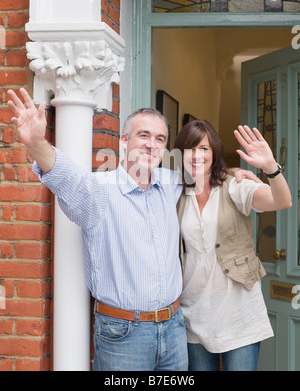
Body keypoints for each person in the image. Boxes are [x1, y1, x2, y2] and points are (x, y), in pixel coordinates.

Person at [6, 88, 260, 371]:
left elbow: (205, 171)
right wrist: (38, 144)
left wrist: (233, 172)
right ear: (124, 140)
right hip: (124, 334)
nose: (152, 144)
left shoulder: (170, 183)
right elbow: (67, 178)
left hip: (175, 329)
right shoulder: (100, 190)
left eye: (160, 139)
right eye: (144, 135)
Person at [174, 120, 292, 371]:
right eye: (190, 149)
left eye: (204, 148)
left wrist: (271, 168)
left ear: (214, 152)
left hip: (239, 316)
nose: (196, 155)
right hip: (193, 315)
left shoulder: (235, 186)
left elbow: (282, 201)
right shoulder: (175, 192)